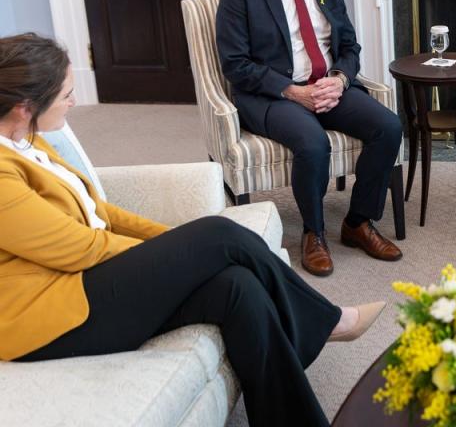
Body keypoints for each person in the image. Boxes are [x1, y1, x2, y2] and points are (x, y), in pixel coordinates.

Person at [0, 33, 385, 427]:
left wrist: (174, 244)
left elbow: (101, 213)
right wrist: (178, 251)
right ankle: (327, 320)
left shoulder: (27, 141)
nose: (74, 101)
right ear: (24, 107)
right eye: (66, 93)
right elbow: (77, 249)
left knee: (236, 286)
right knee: (219, 235)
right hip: (51, 314)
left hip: (83, 280)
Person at [216, 0, 404, 277]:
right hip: (273, 95)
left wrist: (339, 79)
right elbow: (235, 65)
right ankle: (313, 233)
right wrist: (292, 91)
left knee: (389, 127)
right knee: (312, 143)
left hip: (326, 87)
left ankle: (358, 222)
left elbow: (350, 47)